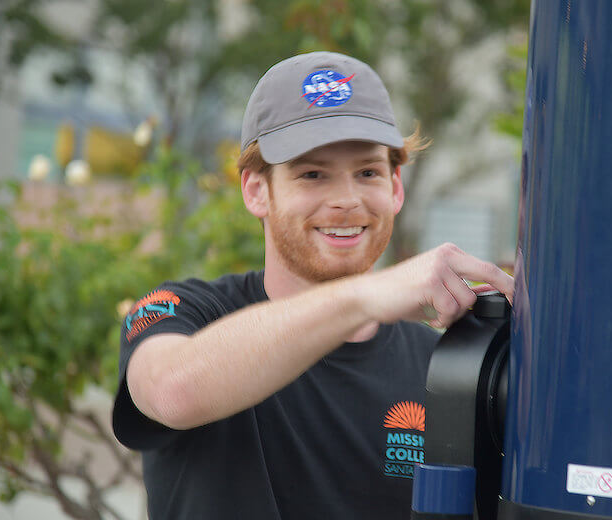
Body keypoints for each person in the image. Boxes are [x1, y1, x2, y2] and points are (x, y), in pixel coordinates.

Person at [112, 51, 513, 519]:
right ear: (255, 190)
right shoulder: (184, 312)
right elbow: (172, 392)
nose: (346, 200)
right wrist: (367, 296)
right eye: (312, 174)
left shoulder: (445, 367)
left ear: (395, 187)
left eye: (367, 172)